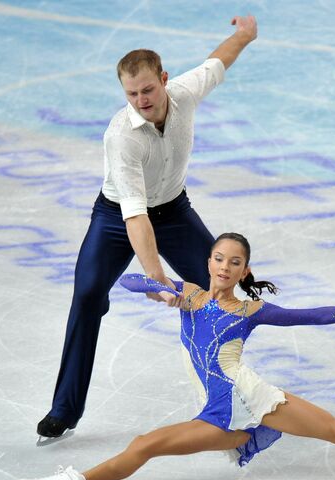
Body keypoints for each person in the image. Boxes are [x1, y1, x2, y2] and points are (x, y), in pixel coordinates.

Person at [12, 233, 335, 480]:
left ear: (243, 270)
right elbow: (126, 280)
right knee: (147, 445)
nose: (224, 267)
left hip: (252, 398)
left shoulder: (251, 310)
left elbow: (314, 315)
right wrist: (160, 288)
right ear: (209, 262)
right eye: (219, 259)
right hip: (218, 414)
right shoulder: (189, 294)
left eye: (234, 262)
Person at [37, 16, 259, 440]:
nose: (141, 99)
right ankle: (64, 409)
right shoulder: (122, 137)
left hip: (175, 212)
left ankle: (229, 391)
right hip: (117, 219)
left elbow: (218, 62)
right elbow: (135, 217)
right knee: (86, 296)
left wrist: (243, 36)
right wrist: (155, 278)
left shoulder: (184, 94)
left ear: (164, 79)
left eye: (148, 89)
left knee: (221, 289)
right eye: (131, 93)